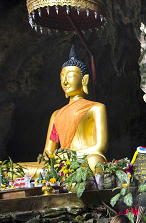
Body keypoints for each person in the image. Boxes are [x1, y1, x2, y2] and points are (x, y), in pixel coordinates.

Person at [20, 45, 108, 177]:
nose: (65, 81)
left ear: (84, 80)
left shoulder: (96, 108)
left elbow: (101, 146)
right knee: (12, 170)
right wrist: (57, 158)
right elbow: (48, 152)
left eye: (70, 76)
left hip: (84, 160)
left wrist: (70, 155)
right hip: (61, 163)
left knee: (95, 161)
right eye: (62, 77)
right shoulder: (56, 115)